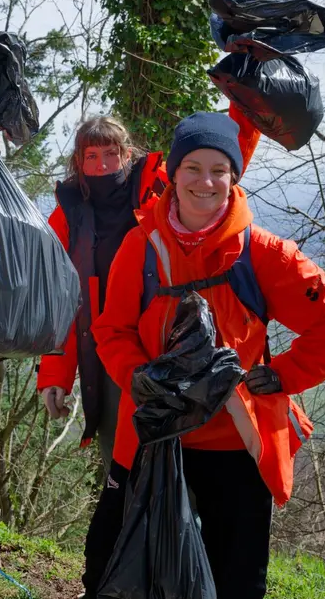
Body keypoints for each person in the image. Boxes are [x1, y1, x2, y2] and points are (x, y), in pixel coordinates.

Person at [86, 112, 325, 599]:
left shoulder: (262, 253)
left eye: (218, 170)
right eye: (193, 167)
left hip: (234, 440)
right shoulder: (141, 246)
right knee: (109, 557)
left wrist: (278, 376)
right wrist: (140, 375)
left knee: (237, 582)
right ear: (172, 171)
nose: (204, 182)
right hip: (153, 433)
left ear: (234, 177)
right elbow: (111, 327)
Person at [37, 106, 260, 472]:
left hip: (172, 339)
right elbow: (62, 302)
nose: (104, 165)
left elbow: (222, 160)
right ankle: (137, 523)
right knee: (124, 460)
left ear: (128, 154)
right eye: (92, 156)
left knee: (193, 453)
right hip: (111, 353)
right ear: (79, 162)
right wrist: (55, 377)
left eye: (112, 154)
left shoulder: (157, 189)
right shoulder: (68, 214)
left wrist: (246, 95)